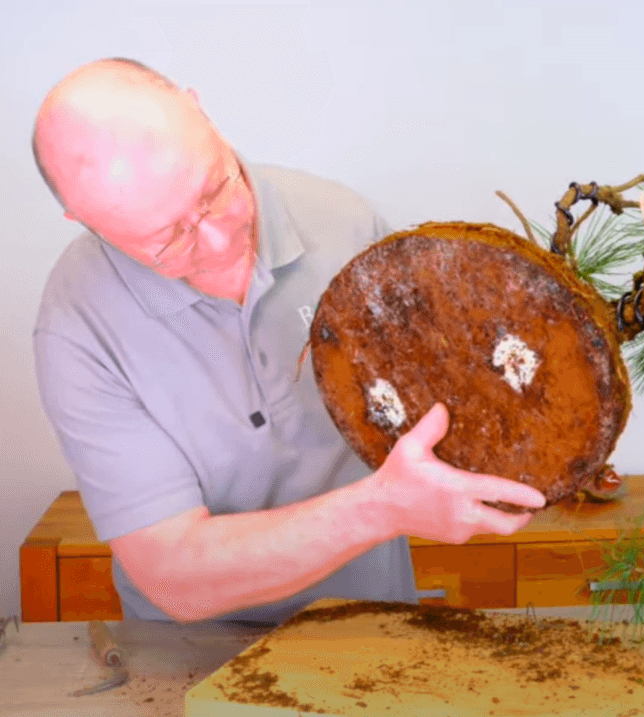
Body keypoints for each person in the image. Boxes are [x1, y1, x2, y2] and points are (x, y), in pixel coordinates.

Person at [30, 58, 546, 624]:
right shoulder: (77, 322)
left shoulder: (342, 222)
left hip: (370, 620)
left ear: (200, 109)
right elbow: (172, 574)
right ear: (83, 220)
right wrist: (380, 511)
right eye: (169, 237)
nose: (223, 238)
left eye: (214, 190)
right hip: (193, 655)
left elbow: (439, 394)